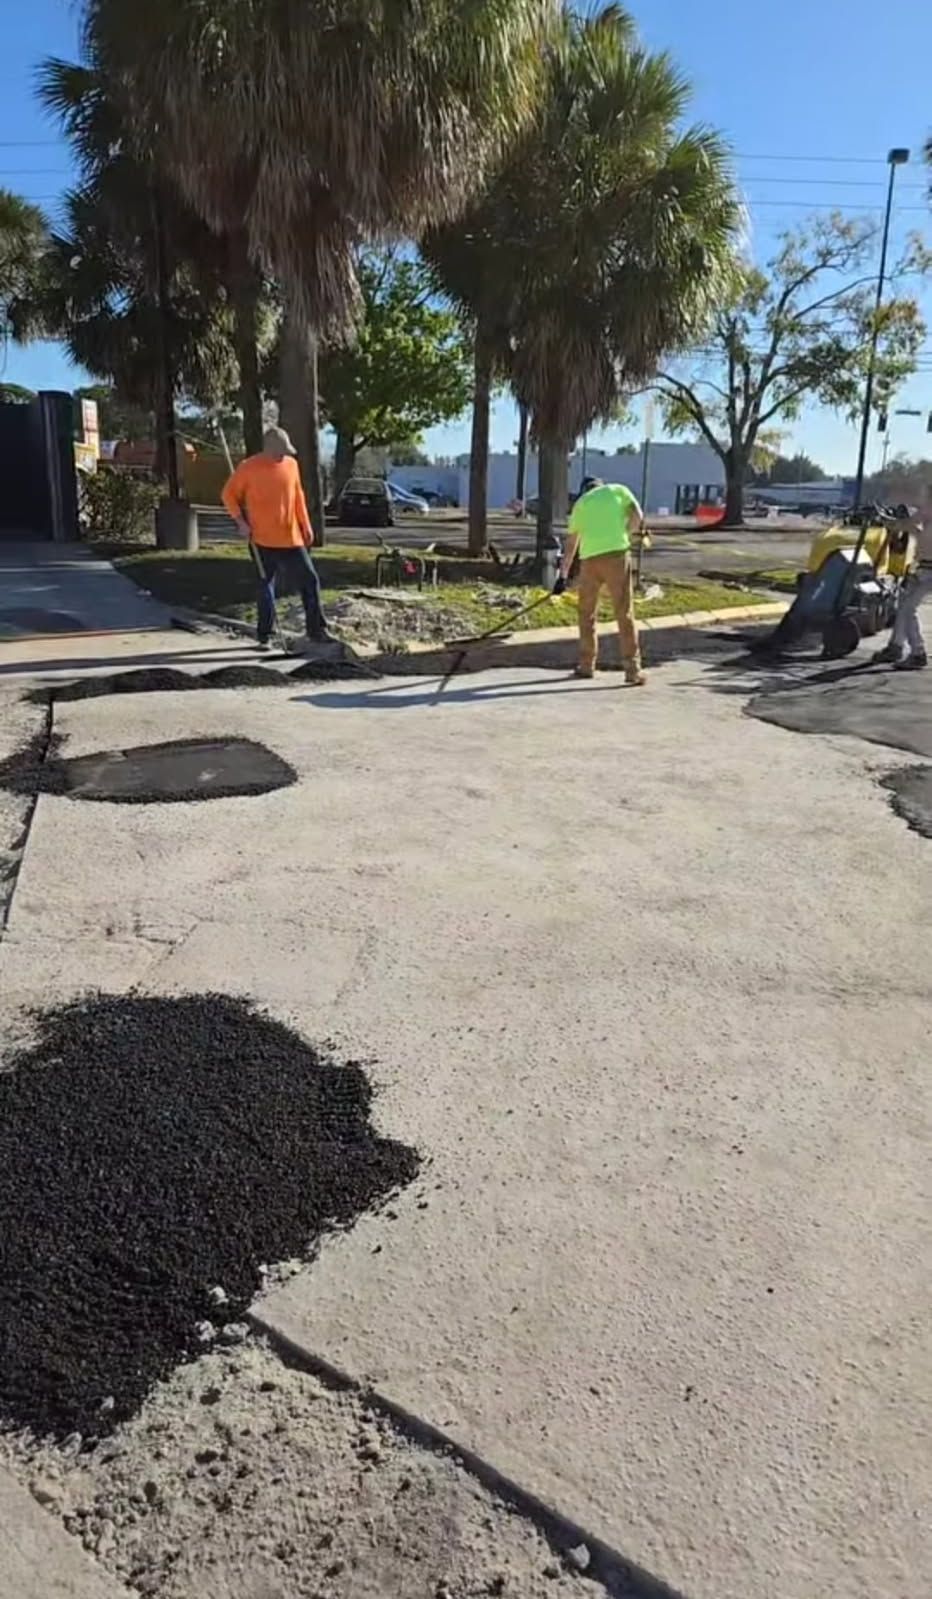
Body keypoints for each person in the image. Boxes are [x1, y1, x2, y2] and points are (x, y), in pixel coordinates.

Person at [221, 426, 332, 649]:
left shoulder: (291, 465)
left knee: (310, 580)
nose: (284, 455)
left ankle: (316, 630)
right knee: (265, 587)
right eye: (280, 451)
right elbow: (228, 495)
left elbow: (298, 495)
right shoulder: (249, 468)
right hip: (261, 539)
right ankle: (265, 635)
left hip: (291, 538)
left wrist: (306, 525)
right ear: (269, 448)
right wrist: (241, 522)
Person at [553, 477, 646, 684]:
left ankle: (586, 665)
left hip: (589, 561)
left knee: (587, 614)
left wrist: (562, 576)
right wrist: (626, 534)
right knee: (624, 611)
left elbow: (571, 544)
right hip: (617, 556)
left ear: (585, 490)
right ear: (601, 485)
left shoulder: (581, 504)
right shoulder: (618, 489)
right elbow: (638, 515)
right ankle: (632, 670)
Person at [874, 505, 929, 671]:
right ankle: (895, 647)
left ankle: (918, 653)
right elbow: (907, 525)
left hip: (929, 573)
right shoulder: (925, 516)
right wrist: (890, 520)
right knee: (903, 606)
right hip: (921, 570)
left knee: (907, 609)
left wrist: (902, 524)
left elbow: (914, 530)